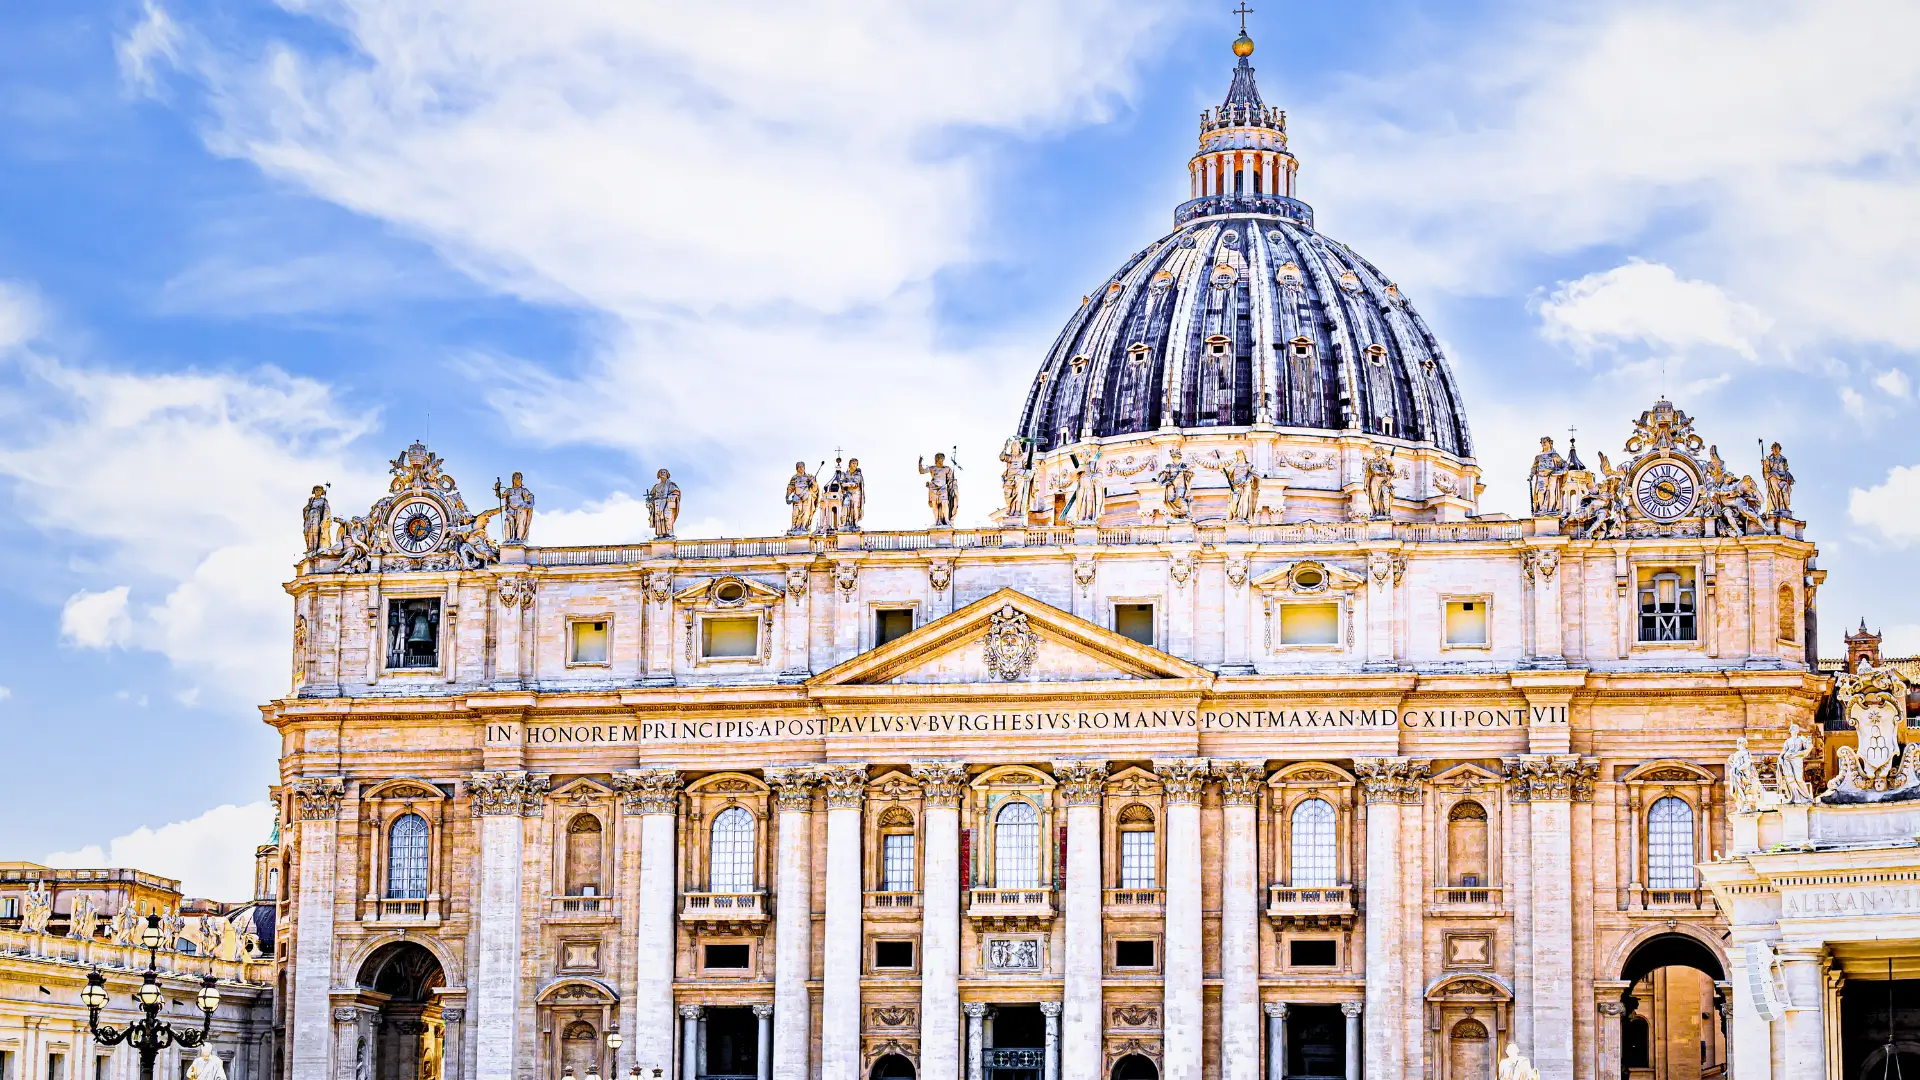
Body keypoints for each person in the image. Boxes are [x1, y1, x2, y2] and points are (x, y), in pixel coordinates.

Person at [1528, 437, 1567, 515]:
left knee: (1551, 492)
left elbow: (1565, 464)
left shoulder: (1554, 455)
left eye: (1545, 442)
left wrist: (1560, 471)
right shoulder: (1538, 456)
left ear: (1550, 443)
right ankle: (1542, 509)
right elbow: (1534, 467)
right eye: (1542, 442)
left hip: (1552, 475)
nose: (1543, 444)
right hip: (1541, 476)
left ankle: (1550, 510)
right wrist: (1531, 475)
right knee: (1541, 492)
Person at [494, 472, 535, 544]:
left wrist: (526, 505)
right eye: (516, 478)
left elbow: (531, 501)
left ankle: (519, 539)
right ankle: (508, 539)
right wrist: (497, 489)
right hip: (510, 509)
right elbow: (501, 496)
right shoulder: (509, 490)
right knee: (507, 522)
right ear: (513, 480)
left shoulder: (524, 490)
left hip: (521, 509)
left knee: (520, 523)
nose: (518, 480)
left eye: (519, 478)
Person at [919, 452, 959, 526]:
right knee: (935, 505)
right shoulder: (932, 468)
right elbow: (922, 471)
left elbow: (951, 480)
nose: (941, 460)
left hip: (943, 488)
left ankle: (946, 520)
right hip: (933, 488)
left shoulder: (947, 469)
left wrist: (953, 487)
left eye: (942, 459)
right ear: (936, 459)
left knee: (944, 503)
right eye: (939, 459)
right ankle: (937, 521)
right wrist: (920, 462)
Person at [646, 469, 681, 539]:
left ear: (667, 474)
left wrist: (672, 496)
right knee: (659, 518)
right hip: (658, 504)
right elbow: (651, 497)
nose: (662, 473)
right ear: (658, 474)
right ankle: (660, 534)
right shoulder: (656, 486)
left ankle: (669, 533)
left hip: (667, 503)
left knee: (667, 517)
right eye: (661, 472)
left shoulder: (671, 484)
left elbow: (676, 492)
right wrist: (649, 502)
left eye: (664, 472)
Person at [785, 463, 819, 535]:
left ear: (804, 468)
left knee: (806, 514)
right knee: (795, 513)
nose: (801, 468)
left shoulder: (809, 477)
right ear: (796, 468)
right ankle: (795, 528)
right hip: (797, 498)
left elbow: (815, 489)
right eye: (799, 467)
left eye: (802, 467)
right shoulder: (794, 478)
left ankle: (804, 527)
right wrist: (787, 496)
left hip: (807, 498)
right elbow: (790, 487)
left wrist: (813, 483)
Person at [302, 485, 331, 553]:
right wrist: (306, 511)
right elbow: (305, 509)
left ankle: (314, 548)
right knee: (306, 532)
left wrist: (324, 520)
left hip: (317, 516)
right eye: (316, 490)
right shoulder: (311, 500)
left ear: (322, 492)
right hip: (309, 517)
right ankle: (309, 547)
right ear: (314, 491)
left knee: (314, 531)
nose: (318, 491)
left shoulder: (323, 501)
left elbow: (327, 510)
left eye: (320, 490)